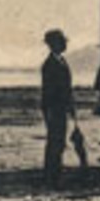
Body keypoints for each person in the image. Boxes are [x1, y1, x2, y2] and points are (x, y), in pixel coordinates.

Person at [40, 29, 76, 189]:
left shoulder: (60, 61)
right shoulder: (50, 65)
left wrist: (70, 106)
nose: (64, 45)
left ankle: (55, 174)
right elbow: (51, 92)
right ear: (53, 44)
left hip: (59, 108)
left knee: (58, 141)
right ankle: (52, 176)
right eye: (62, 42)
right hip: (54, 109)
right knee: (55, 141)